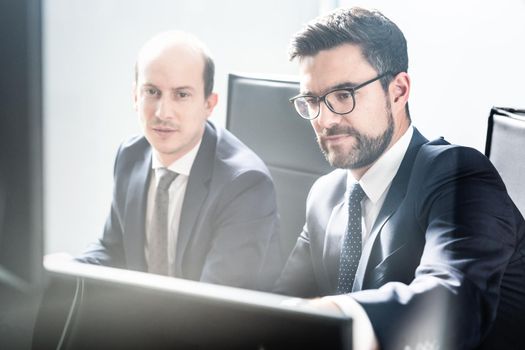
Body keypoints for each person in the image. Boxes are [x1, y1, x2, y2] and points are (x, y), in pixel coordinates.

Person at [274, 7, 525, 350]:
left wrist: (334, 313)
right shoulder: (325, 195)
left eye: (343, 95)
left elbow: (450, 305)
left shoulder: (460, 176)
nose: (325, 119)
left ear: (398, 91)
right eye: (313, 100)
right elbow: (276, 309)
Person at [76, 31, 281, 292]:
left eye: (181, 95)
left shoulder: (245, 184)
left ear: (209, 104)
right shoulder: (131, 156)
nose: (163, 113)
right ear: (135, 97)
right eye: (152, 92)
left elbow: (217, 302)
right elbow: (112, 249)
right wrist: (60, 270)